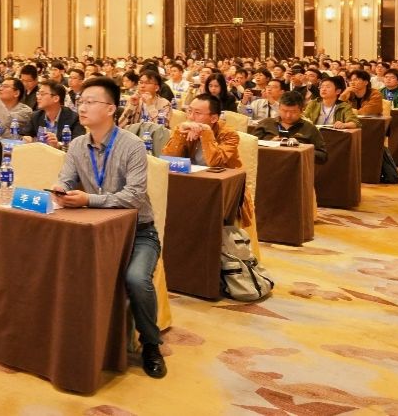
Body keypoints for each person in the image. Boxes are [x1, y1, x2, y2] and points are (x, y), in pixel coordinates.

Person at [48, 77, 165, 379]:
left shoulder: (132, 145)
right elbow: (66, 177)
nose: (82, 107)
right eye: (81, 102)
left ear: (111, 109)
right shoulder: (77, 144)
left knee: (136, 279)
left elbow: (134, 196)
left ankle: (151, 344)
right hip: (94, 232)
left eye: (90, 102)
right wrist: (59, 190)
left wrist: (89, 199)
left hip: (138, 232)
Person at [163, 94, 241, 168]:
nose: (191, 117)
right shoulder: (184, 128)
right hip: (191, 175)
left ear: (213, 118)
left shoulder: (229, 134)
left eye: (197, 113)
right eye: (189, 111)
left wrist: (206, 131)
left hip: (220, 176)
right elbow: (168, 159)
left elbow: (215, 163)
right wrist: (180, 133)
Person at [250, 90, 327, 163]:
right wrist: (269, 144)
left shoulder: (310, 128)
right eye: (284, 111)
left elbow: (323, 156)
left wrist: (302, 148)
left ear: (301, 110)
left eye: (293, 112)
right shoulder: (266, 123)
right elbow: (250, 148)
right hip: (268, 166)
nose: (288, 115)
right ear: (279, 108)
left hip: (296, 169)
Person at [21, 80, 84, 148]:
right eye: (38, 94)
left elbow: (78, 145)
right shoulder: (36, 116)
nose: (38, 97)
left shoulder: (74, 118)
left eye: (42, 94)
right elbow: (25, 134)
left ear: (56, 98)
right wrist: (27, 138)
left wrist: (58, 145)